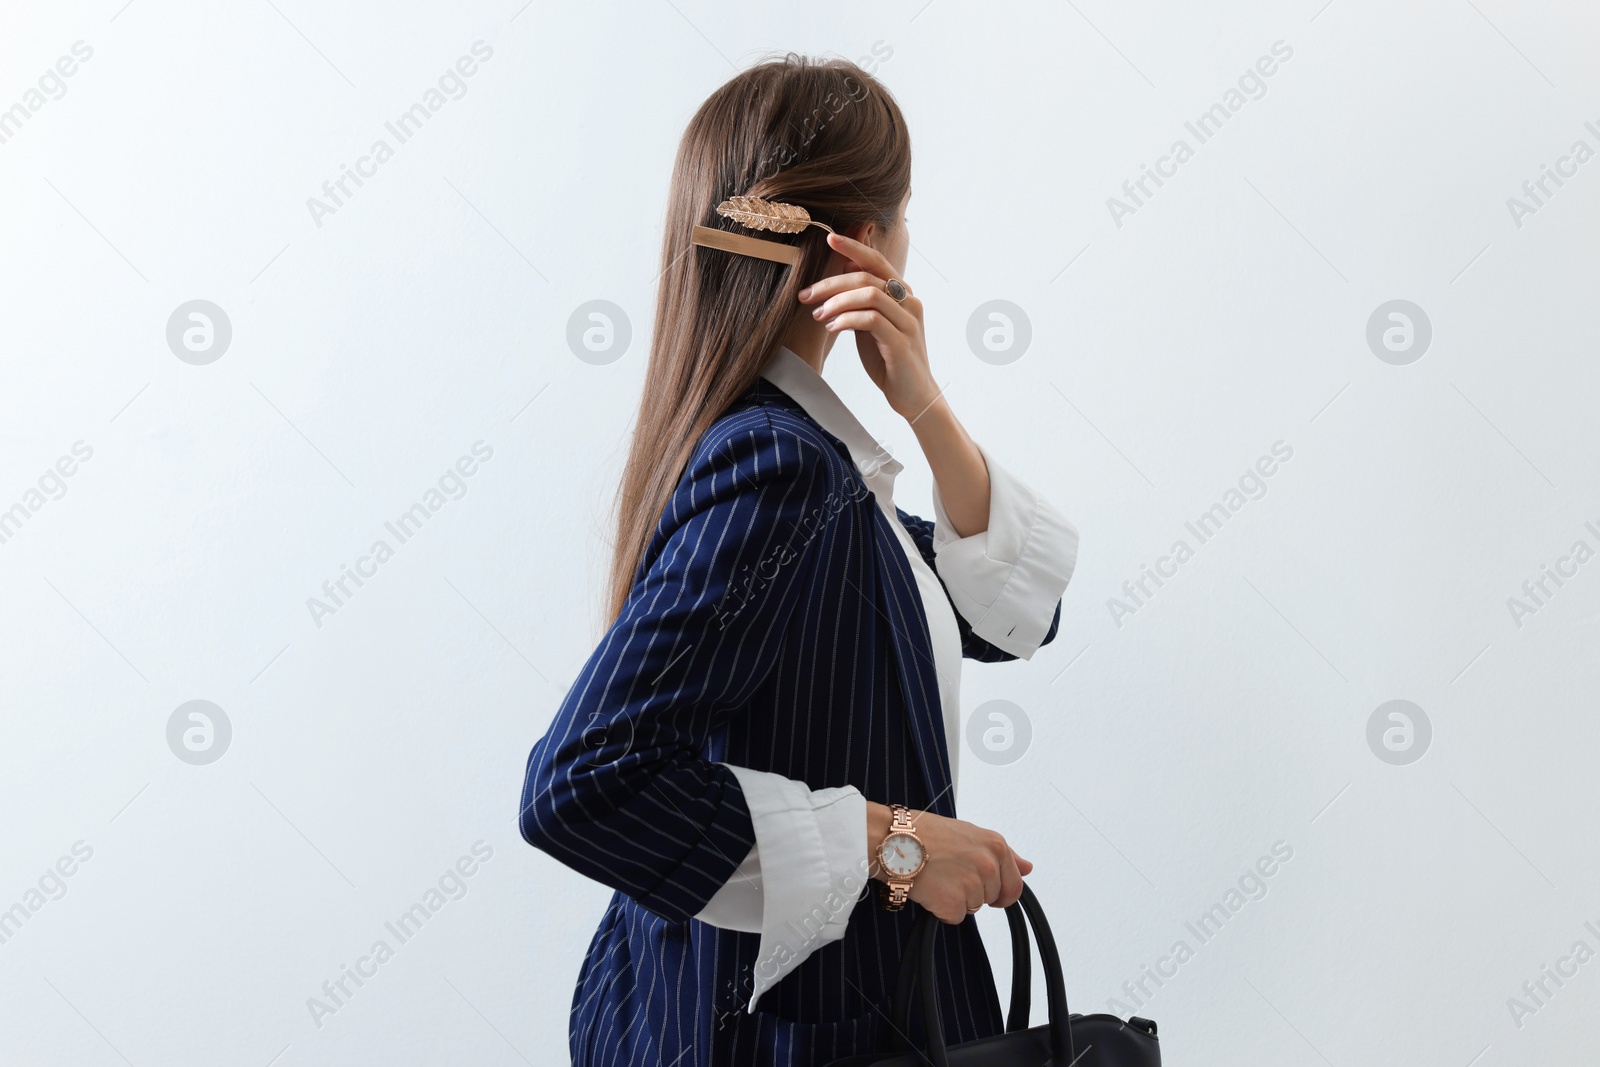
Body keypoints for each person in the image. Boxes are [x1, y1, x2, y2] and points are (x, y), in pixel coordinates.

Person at [518, 52, 1079, 1067]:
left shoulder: (795, 461)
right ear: (869, 244)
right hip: (791, 1025)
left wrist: (926, 408)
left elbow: (1007, 616)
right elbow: (582, 783)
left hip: (757, 1006)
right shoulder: (783, 466)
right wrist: (898, 843)